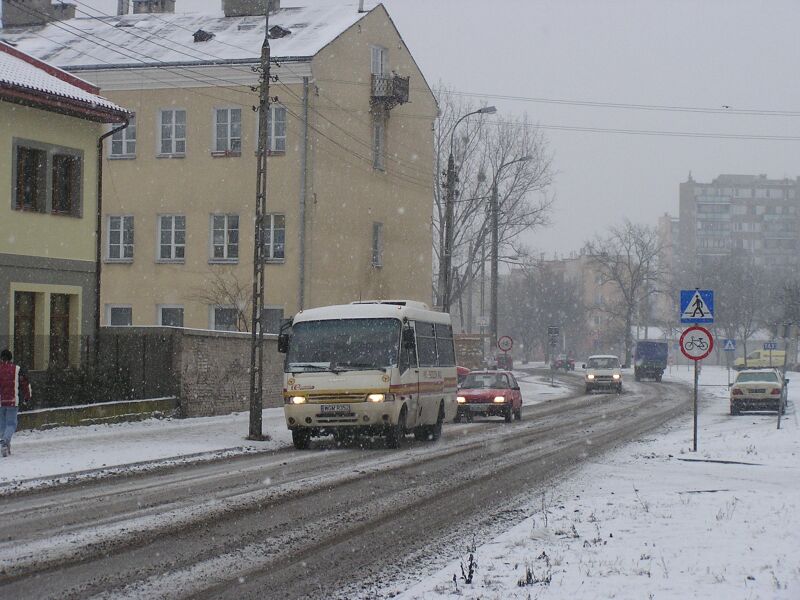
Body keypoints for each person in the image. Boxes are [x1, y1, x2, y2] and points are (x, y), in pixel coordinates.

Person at [0, 349, 31, 457]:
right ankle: (4, 442)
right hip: (13, 401)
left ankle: (5, 445)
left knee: (2, 424)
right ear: (11, 358)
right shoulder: (17, 369)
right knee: (11, 424)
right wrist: (27, 397)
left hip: (1, 402)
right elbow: (25, 384)